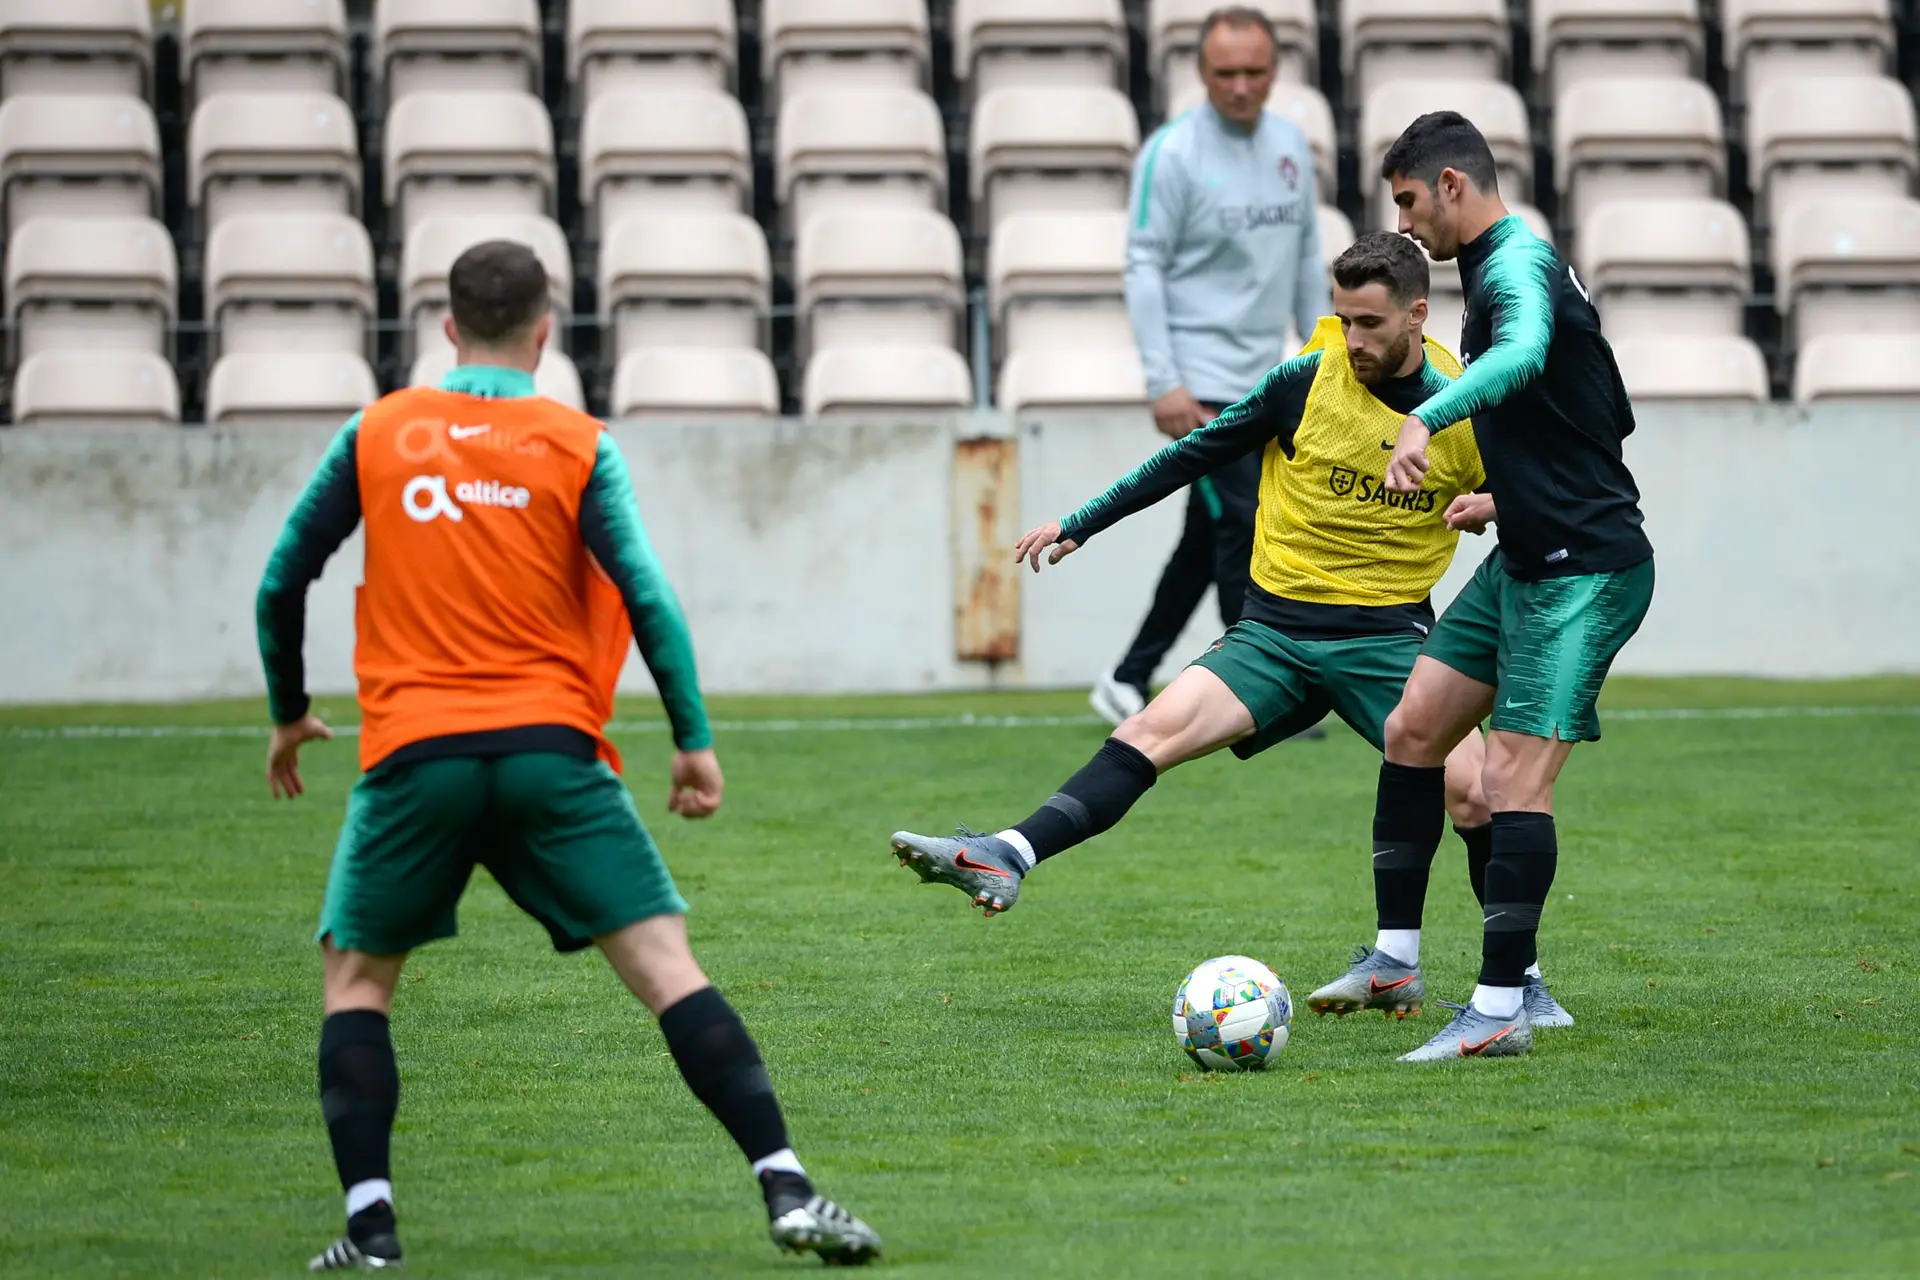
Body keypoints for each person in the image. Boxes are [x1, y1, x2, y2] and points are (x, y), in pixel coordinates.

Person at [255, 241, 880, 1269]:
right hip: (551, 750)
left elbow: (283, 579)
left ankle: (371, 1229)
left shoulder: (378, 431)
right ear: (545, 332)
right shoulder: (578, 443)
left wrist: (288, 712)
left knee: (358, 983)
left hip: (416, 753)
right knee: (668, 969)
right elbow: (646, 594)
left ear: (447, 327)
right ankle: (789, 1187)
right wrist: (692, 740)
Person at [892, 233, 1519, 1019]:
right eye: (1343, 320)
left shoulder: (1465, 408)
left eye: (1370, 324)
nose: (1352, 340)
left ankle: (1513, 982)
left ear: (1417, 315)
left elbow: (1538, 493)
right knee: (1147, 733)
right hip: (1275, 633)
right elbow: (1189, 455)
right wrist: (1083, 521)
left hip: (1388, 638)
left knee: (1478, 794)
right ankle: (1006, 854)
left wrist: (1491, 504)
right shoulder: (1302, 383)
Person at [1362, 111, 1655, 1063]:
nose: (1405, 225)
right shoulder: (1498, 268)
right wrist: (1509, 494)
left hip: (1586, 568)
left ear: (1452, 184)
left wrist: (1427, 418)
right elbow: (1600, 409)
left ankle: (1499, 1010)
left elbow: (1524, 357)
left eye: (1409, 201)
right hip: (1526, 547)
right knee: (1415, 729)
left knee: (1512, 779)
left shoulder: (1516, 262)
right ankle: (1398, 960)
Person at [1094, 5, 1331, 730]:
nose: (1240, 86)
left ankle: (1126, 675)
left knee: (1209, 536)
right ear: (1201, 71)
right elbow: (1143, 265)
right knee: (1248, 528)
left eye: (1255, 72)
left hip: (1265, 380)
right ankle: (1259, 691)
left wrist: (1324, 356)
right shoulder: (1170, 154)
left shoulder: (1291, 148)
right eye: (1226, 73)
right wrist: (1162, 379)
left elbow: (1305, 257)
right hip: (1198, 384)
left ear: (1276, 70)